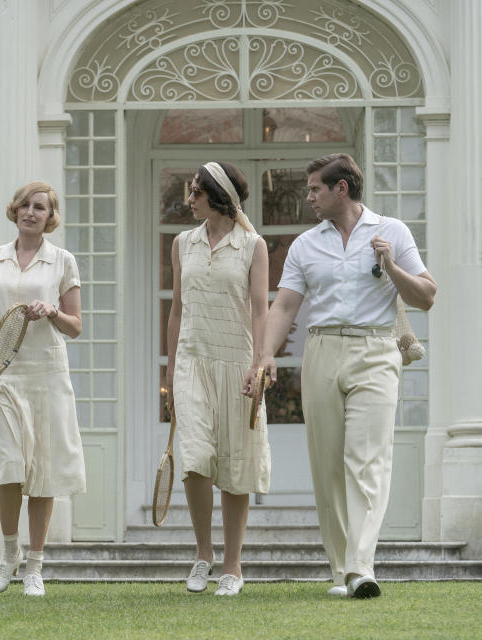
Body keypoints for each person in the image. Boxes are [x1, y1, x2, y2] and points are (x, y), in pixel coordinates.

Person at [263, 153, 436, 599]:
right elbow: (284, 306)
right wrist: (264, 355)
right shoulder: (305, 245)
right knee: (328, 467)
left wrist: (392, 266)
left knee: (367, 459)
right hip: (321, 350)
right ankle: (342, 569)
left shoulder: (391, 231)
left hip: (376, 350)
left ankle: (362, 566)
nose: (308, 197)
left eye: (315, 189)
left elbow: (427, 296)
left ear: (342, 188)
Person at [0, 181, 85, 597]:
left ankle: (35, 565)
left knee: (43, 470)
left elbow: (76, 326)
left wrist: (53, 310)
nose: (30, 212)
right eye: (24, 205)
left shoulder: (62, 261)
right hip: (4, 378)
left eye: (40, 207)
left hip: (48, 376)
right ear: (14, 210)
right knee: (7, 467)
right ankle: (9, 554)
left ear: (49, 216)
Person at [166, 161, 272, 596]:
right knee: (194, 458)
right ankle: (203, 555)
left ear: (217, 196)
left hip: (237, 365)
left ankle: (232, 566)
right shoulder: (181, 244)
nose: (189, 200)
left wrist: (259, 365)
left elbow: (261, 310)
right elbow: (175, 311)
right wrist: (170, 373)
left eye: (196, 192)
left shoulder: (253, 246)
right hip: (192, 362)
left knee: (235, 463)